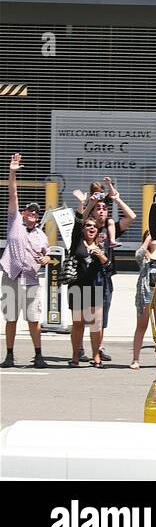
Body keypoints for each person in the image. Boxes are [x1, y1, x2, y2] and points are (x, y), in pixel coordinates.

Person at [72, 177, 135, 364]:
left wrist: (116, 199)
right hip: (83, 279)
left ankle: (98, 348)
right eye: (98, 208)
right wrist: (87, 203)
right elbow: (81, 220)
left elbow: (131, 217)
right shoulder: (86, 228)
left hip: (104, 277)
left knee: (100, 317)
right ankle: (80, 350)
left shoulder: (111, 227)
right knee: (80, 319)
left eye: (103, 208)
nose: (100, 211)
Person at [2, 154, 52, 369]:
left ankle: (38, 355)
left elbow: (49, 255)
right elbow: (12, 194)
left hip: (31, 279)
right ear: (22, 213)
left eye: (37, 211)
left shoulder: (41, 235)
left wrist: (46, 258)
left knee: (33, 319)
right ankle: (10, 355)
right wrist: (13, 171)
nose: (34, 213)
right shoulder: (14, 222)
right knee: (11, 318)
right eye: (30, 210)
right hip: (11, 276)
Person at [66, 218, 110, 368]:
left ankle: (96, 355)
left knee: (96, 325)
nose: (91, 228)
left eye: (94, 226)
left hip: (95, 288)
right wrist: (86, 204)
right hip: (77, 289)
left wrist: (100, 255)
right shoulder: (77, 243)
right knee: (78, 324)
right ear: (83, 229)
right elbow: (77, 222)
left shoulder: (100, 246)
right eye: (88, 226)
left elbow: (109, 267)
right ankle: (75, 355)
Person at [130, 231, 156, 370]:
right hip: (146, 293)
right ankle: (135, 359)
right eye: (150, 236)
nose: (153, 238)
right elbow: (137, 255)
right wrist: (147, 239)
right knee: (141, 326)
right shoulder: (144, 255)